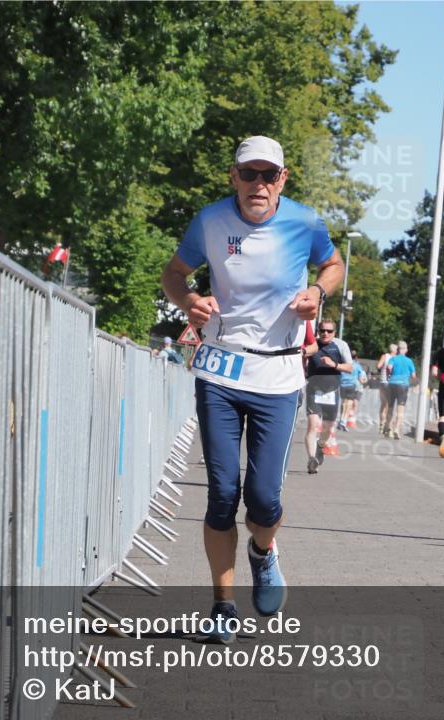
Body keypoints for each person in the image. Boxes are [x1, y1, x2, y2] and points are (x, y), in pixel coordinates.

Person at [160, 135, 344, 643]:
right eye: (249, 174)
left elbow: (334, 265)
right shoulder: (211, 221)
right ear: (233, 177)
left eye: (269, 175)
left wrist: (317, 292)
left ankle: (263, 552)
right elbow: (173, 275)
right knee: (222, 493)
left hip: (279, 376)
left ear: (283, 179)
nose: (258, 185)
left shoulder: (304, 222)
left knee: (262, 498)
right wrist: (189, 301)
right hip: (220, 370)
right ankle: (222, 606)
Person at [304, 321, 352, 473]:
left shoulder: (341, 345)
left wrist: (335, 365)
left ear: (334, 332)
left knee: (328, 428)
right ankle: (312, 459)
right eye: (322, 330)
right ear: (318, 331)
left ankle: (320, 446)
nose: (325, 333)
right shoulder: (313, 345)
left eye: (329, 331)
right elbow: (302, 356)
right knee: (313, 425)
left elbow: (350, 368)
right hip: (314, 390)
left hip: (332, 391)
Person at [384, 340, 417, 440]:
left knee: (390, 407)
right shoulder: (409, 361)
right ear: (406, 350)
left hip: (392, 383)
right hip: (403, 385)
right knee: (400, 409)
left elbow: (389, 368)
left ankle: (388, 428)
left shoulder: (393, 358)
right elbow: (413, 375)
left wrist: (389, 376)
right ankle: (397, 430)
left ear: (398, 349)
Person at [339, 349, 367, 430]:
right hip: (352, 385)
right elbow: (361, 377)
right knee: (349, 403)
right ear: (356, 357)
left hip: (343, 384)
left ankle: (341, 418)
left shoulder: (343, 364)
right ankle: (343, 421)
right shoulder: (357, 366)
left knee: (343, 402)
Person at [376, 343, 398, 434]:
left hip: (382, 382)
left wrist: (382, 371)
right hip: (391, 383)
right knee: (390, 406)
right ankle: (388, 426)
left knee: (383, 404)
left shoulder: (384, 356)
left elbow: (378, 366)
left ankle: (381, 424)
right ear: (396, 351)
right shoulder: (396, 359)